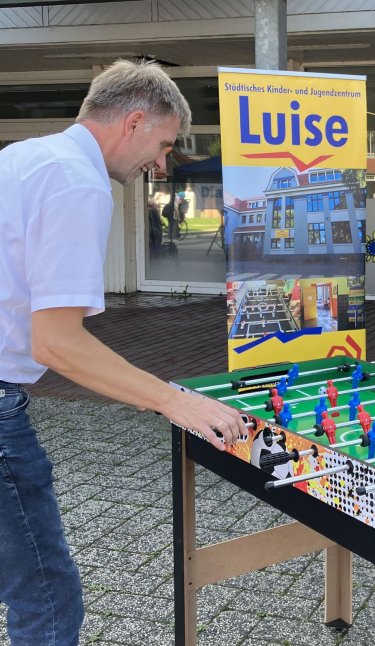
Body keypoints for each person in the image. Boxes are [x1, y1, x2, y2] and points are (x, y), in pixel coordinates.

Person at [0, 59, 245, 646]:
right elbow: (56, 342)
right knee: (48, 599)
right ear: (134, 121)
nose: (161, 165)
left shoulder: (22, 158)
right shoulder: (78, 183)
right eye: (162, 145)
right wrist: (172, 401)